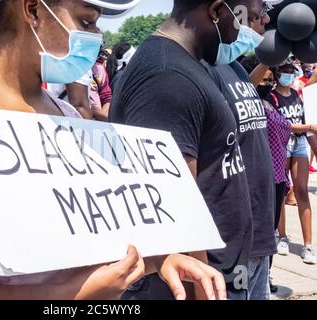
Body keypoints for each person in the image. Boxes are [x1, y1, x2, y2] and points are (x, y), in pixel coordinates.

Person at [0, 0, 226, 300]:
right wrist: (63, 295)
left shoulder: (70, 118)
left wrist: (157, 260)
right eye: (86, 20)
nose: (97, 36)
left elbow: (92, 234)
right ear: (33, 10)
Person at [110, 0, 256, 300]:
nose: (248, 28)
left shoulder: (188, 64)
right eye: (245, 17)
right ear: (216, 11)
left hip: (216, 276)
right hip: (194, 284)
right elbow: (175, 207)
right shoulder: (168, 76)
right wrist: (202, 292)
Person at [203, 0, 275, 300]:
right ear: (220, 12)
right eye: (257, 16)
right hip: (225, 249)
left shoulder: (235, 67)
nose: (265, 21)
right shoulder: (199, 71)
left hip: (258, 239)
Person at [266, 60, 316, 265]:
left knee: (302, 190)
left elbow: (304, 126)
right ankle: (282, 236)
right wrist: (309, 126)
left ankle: (308, 244)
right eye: (284, 72)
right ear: (277, 75)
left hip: (300, 144)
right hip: (281, 145)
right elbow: (284, 125)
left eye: (290, 72)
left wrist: (313, 142)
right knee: (281, 190)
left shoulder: (296, 95)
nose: (288, 75)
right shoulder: (271, 97)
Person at [90, 49, 112, 121]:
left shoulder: (99, 69)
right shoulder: (68, 67)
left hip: (95, 123)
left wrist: (101, 115)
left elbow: (106, 97)